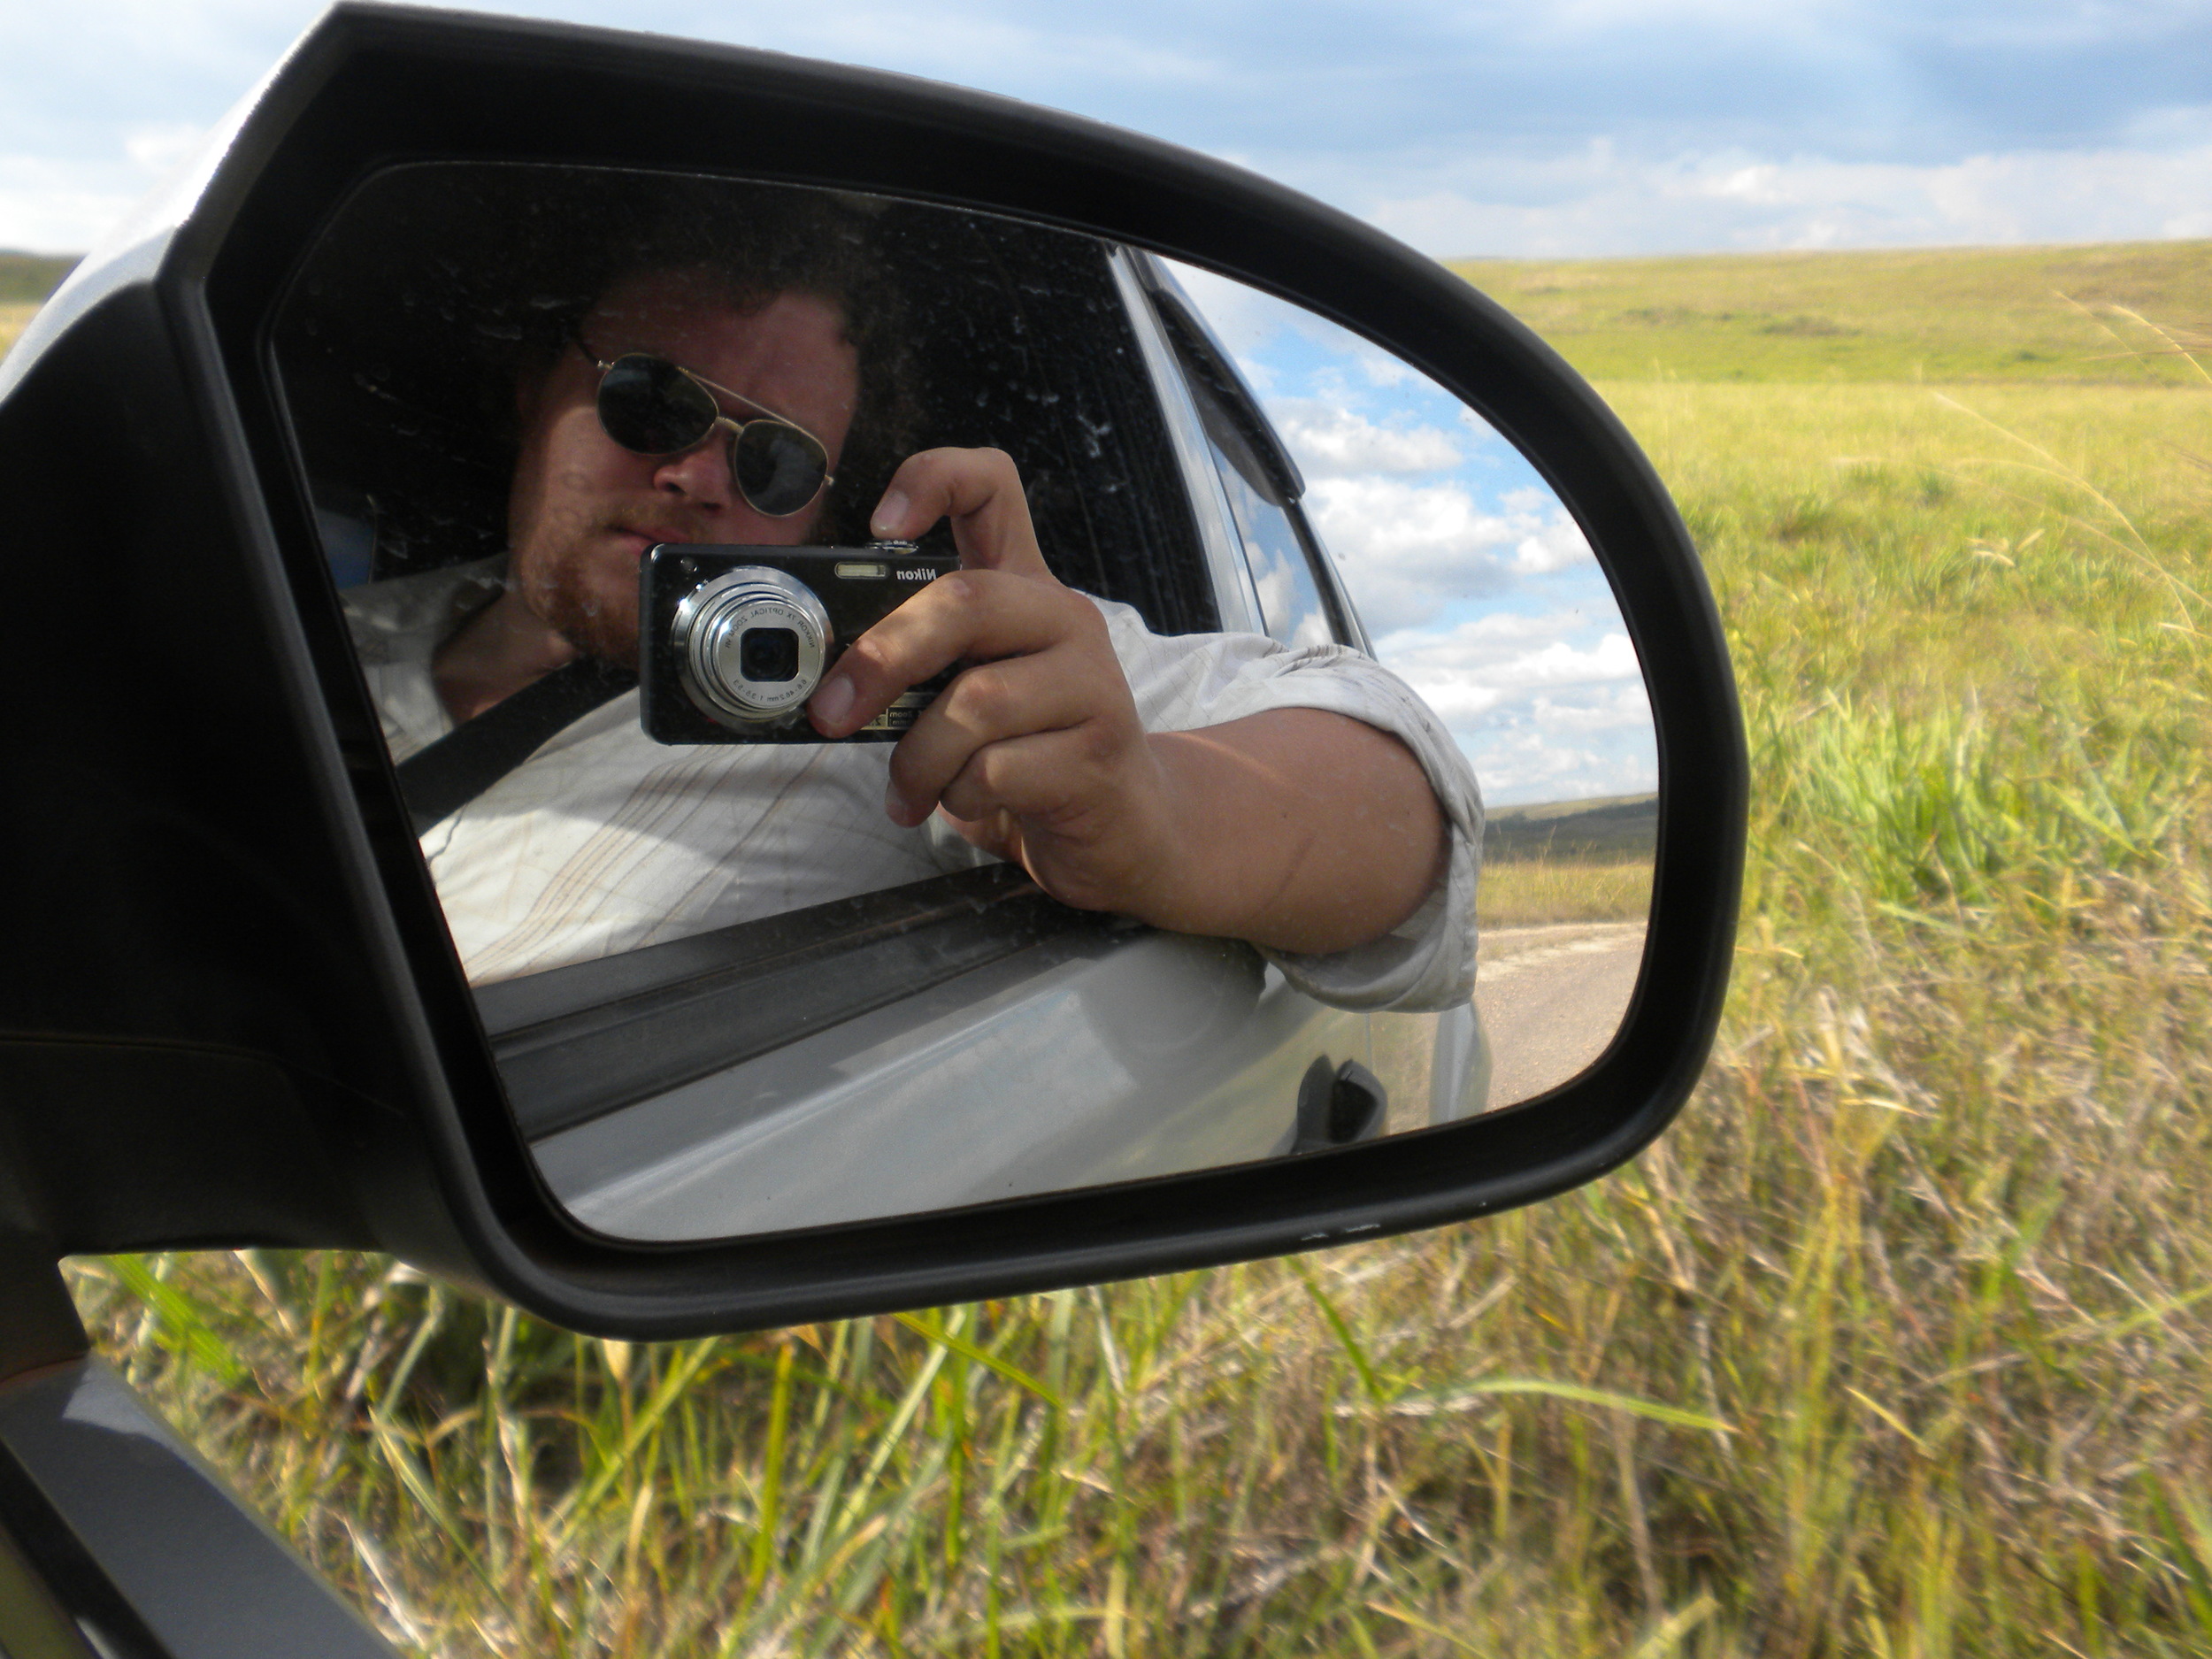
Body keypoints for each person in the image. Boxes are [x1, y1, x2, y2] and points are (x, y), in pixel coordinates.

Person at [341, 227, 1482, 1009]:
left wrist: (1159, 810)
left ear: (828, 516)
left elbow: (1400, 799)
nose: (696, 476)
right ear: (533, 386)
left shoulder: (896, 683)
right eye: (652, 400)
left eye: (777, 461)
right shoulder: (298, 637)